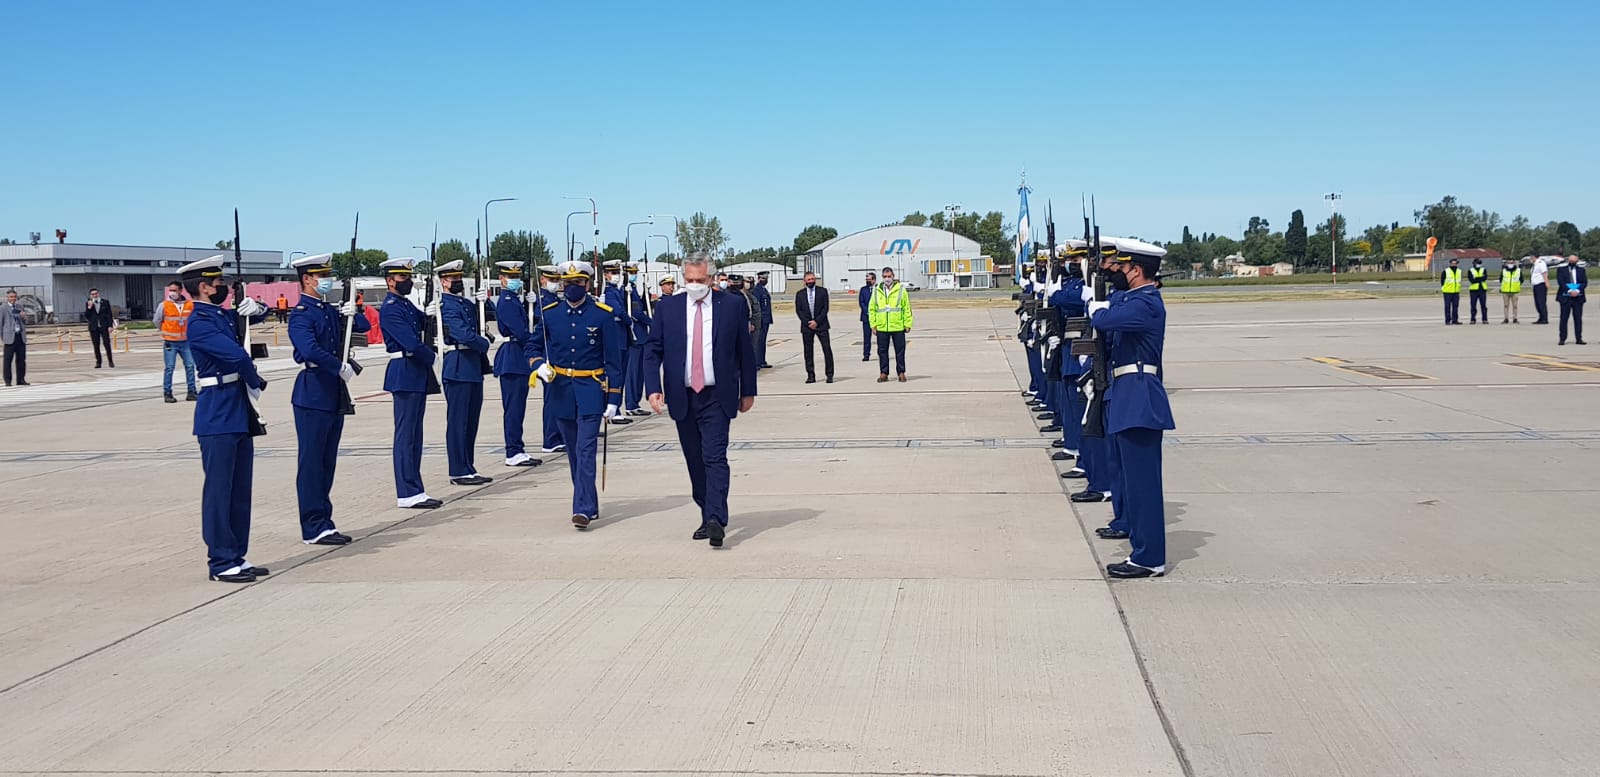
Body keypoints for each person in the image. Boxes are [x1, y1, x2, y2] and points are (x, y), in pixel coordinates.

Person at [643, 251, 758, 548]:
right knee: (695, 460)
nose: (695, 284)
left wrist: (748, 390)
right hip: (682, 396)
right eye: (689, 279)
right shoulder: (668, 308)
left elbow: (744, 351)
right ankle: (707, 511)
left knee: (714, 456)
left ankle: (717, 518)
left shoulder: (731, 305)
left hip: (717, 395)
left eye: (700, 279)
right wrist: (653, 387)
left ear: (711, 278)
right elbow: (653, 349)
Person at [179, 255, 271, 582]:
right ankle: (220, 561)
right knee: (219, 490)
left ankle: (237, 554)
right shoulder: (200, 322)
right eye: (219, 284)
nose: (225, 289)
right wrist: (255, 380)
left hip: (237, 409)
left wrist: (257, 308)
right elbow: (235, 355)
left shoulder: (220, 315)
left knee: (239, 489)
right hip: (217, 411)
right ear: (204, 288)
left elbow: (254, 318)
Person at [1086, 249, 1175, 579]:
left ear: (1137, 271)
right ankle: (1142, 550)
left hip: (1139, 397)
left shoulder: (1147, 303)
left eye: (1121, 267)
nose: (1116, 271)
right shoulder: (1134, 299)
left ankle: (1150, 558)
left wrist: (1096, 306)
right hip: (1125, 395)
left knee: (1143, 486)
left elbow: (1105, 320)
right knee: (1130, 480)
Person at [528, 260, 624, 529]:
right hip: (560, 391)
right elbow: (533, 346)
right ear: (562, 285)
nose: (573, 287)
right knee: (573, 452)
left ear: (587, 284)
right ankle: (589, 501)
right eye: (568, 283)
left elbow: (614, 362)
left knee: (585, 449)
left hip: (590, 389)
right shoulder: (550, 314)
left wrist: (614, 398)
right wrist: (538, 365)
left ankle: (580, 508)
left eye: (578, 283)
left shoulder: (602, 315)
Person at [286, 253, 367, 547]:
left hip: (332, 392)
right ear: (307, 279)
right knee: (312, 464)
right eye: (321, 276)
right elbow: (308, 350)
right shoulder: (301, 314)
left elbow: (362, 329)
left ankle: (325, 521)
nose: (326, 280)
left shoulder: (327, 310)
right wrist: (338, 366)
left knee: (327, 462)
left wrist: (353, 311)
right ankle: (312, 525)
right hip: (312, 392)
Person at [379, 258, 443, 509]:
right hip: (404, 371)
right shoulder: (391, 308)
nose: (408, 282)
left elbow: (429, 325)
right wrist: (432, 358)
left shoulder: (404, 305)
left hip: (414, 372)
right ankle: (407, 491)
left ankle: (415, 488)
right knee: (406, 435)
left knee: (415, 435)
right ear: (390, 281)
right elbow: (411, 342)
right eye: (403, 278)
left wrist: (433, 311)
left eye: (409, 277)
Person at [435, 260, 494, 486]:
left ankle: (468, 466)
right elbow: (463, 335)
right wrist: (483, 343)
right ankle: (458, 470)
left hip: (472, 367)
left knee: (471, 422)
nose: (458, 282)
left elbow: (487, 316)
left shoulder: (465, 303)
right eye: (454, 279)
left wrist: (485, 300)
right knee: (458, 422)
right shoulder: (446, 305)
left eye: (460, 278)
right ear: (444, 282)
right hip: (458, 366)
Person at [492, 261, 542, 468]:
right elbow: (520, 333)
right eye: (510, 277)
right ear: (502, 279)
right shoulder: (506, 301)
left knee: (518, 407)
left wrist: (533, 305)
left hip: (517, 358)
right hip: (512, 357)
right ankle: (513, 450)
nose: (515, 280)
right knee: (513, 408)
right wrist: (535, 340)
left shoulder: (514, 300)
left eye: (517, 276)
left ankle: (517, 447)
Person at [535, 265, 565, 453]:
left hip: (557, 354)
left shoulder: (555, 300)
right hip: (548, 355)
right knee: (552, 399)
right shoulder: (541, 301)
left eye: (557, 280)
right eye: (552, 280)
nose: (556, 284)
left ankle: (558, 435)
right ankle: (551, 439)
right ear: (543, 281)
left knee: (559, 398)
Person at [153, 281, 198, 402]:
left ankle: (191, 392)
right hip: (170, 341)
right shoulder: (164, 305)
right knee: (169, 368)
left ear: (180, 291)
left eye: (174, 290)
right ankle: (167, 393)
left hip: (186, 341)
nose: (172, 292)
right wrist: (165, 331)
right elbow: (157, 320)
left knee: (190, 366)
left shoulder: (190, 304)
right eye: (170, 290)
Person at [868, 266, 913, 382]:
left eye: (889, 276)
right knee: (882, 351)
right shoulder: (876, 290)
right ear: (882, 277)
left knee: (900, 351)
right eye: (885, 277)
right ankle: (884, 373)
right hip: (882, 326)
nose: (887, 279)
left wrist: (908, 323)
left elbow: (906, 308)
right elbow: (872, 309)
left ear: (893, 277)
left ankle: (901, 372)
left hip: (897, 325)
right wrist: (873, 325)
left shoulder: (901, 290)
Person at [795, 271, 834, 383]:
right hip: (807, 327)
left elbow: (825, 308)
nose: (811, 281)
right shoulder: (800, 294)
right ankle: (811, 375)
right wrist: (808, 322)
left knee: (827, 349)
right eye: (809, 280)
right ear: (804, 281)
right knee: (808, 351)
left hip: (821, 325)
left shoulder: (822, 291)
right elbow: (799, 310)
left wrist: (816, 321)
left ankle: (829, 374)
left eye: (812, 279)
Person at [1557, 254, 1587, 345]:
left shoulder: (1581, 270)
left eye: (1575, 261)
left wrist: (1577, 290)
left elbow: (1584, 282)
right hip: (1565, 297)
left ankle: (1579, 338)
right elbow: (1561, 282)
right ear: (1568, 261)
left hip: (1578, 298)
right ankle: (1562, 338)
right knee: (1564, 318)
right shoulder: (1562, 270)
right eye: (1571, 261)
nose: (1573, 263)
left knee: (1578, 319)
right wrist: (1570, 291)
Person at [85, 288, 116, 368]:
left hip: (104, 326)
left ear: (98, 294)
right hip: (94, 327)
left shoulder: (105, 302)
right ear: (90, 295)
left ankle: (110, 361)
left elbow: (109, 315)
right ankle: (98, 362)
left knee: (106, 343)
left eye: (96, 293)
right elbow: (87, 316)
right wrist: (89, 307)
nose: (95, 295)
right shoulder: (89, 303)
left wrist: (110, 326)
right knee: (96, 345)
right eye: (93, 294)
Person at [2, 289, 27, 386]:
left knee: (21, 359)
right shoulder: (3, 308)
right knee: (8, 360)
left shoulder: (19, 307)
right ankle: (8, 380)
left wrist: (23, 316)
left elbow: (24, 321)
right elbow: (1, 323)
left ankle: (21, 379)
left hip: (20, 336)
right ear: (7, 297)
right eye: (11, 297)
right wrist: (3, 337)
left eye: (14, 297)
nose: (13, 299)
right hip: (9, 337)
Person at [752, 271, 774, 368]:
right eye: (763, 278)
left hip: (765, 320)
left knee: (763, 341)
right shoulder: (757, 290)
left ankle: (762, 360)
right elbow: (757, 307)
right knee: (758, 342)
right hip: (760, 320)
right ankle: (757, 361)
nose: (765, 280)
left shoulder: (764, 290)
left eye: (766, 278)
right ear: (759, 279)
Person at [857, 271, 876, 362]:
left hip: (877, 318)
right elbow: (861, 302)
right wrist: (868, 311)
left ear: (874, 280)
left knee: (880, 337)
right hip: (866, 317)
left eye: (869, 279)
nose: (867, 281)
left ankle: (882, 353)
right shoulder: (863, 289)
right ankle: (866, 354)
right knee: (866, 337)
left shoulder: (878, 289)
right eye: (866, 279)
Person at [1439, 257, 1462, 325]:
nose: (1454, 264)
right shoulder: (1446, 271)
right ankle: (1448, 320)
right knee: (1447, 307)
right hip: (1447, 292)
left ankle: (1455, 320)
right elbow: (1442, 281)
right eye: (1453, 263)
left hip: (1456, 292)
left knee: (1455, 307)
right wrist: (1444, 288)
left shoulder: (1459, 271)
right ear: (1450, 263)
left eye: (1455, 263)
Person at [1500, 258, 1522, 324]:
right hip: (1505, 291)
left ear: (1514, 263)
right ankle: (1506, 318)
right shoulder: (1504, 271)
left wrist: (1516, 285)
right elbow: (1501, 279)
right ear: (1506, 263)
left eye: (1511, 263)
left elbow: (1521, 279)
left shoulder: (1518, 271)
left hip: (1515, 291)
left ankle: (1515, 318)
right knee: (1506, 305)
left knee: (1515, 305)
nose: (1510, 264)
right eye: (1509, 263)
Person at [1467, 258, 1489, 324]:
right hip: (1474, 290)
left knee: (1483, 305)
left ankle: (1485, 319)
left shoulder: (1483, 269)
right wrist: (1480, 279)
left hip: (1482, 289)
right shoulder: (1471, 270)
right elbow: (1472, 280)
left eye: (1480, 263)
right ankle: (1473, 319)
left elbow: (1485, 278)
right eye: (1477, 263)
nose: (1479, 265)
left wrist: (1476, 278)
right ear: (1474, 263)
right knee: (1473, 305)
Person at [1531, 255, 1550, 325]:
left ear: (1534, 257)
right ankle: (1541, 317)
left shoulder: (1541, 263)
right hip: (1535, 285)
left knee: (1541, 302)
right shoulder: (1534, 264)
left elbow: (1544, 273)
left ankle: (1544, 318)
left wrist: (1546, 282)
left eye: (1531, 257)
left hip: (1541, 284)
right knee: (1537, 303)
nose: (1530, 259)